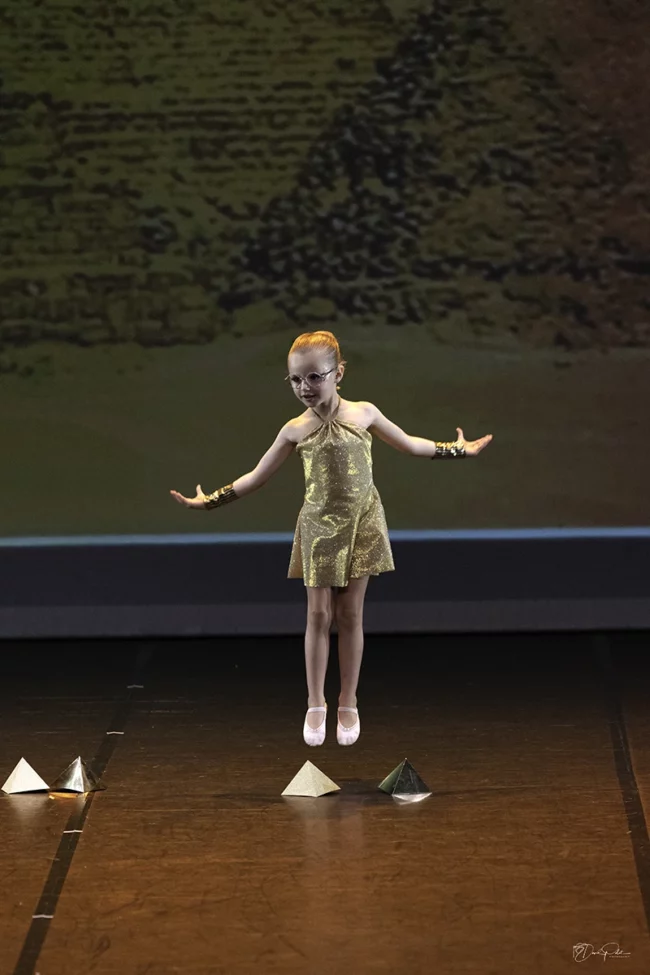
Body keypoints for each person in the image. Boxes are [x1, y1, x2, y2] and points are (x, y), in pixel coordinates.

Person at [170, 330, 492, 747]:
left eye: (315, 377)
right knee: (318, 616)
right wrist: (209, 501)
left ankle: (349, 701)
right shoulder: (294, 430)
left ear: (338, 373)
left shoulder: (364, 414)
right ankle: (315, 702)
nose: (305, 387)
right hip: (319, 527)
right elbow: (256, 476)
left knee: (351, 615)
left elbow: (411, 444)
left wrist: (457, 450)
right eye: (296, 380)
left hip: (362, 522)